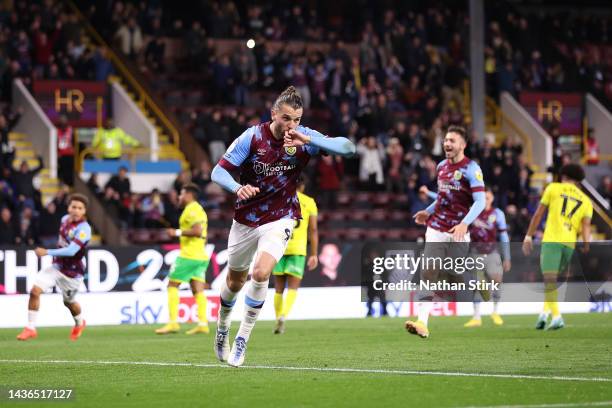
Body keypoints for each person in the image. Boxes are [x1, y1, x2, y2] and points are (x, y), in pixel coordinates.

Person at [210, 86, 355, 367]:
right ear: (273, 113)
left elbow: (348, 148)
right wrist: (237, 188)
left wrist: (310, 140)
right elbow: (218, 171)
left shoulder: (305, 137)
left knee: (261, 272)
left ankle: (242, 339)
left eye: (297, 119)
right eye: (287, 118)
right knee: (234, 282)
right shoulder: (252, 137)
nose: (292, 125)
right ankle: (223, 328)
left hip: (281, 216)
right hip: (246, 219)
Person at [405, 125, 486, 339]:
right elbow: (443, 198)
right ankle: (422, 322)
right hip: (437, 227)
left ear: (463, 145)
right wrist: (427, 211)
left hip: (459, 231)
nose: (447, 144)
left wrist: (465, 224)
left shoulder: (472, 168)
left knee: (454, 274)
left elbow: (480, 202)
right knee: (429, 272)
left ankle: (478, 283)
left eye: (452, 140)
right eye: (446, 140)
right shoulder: (441, 167)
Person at [522, 164, 592, 330]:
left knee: (549, 280)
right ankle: (544, 314)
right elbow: (586, 227)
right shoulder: (586, 200)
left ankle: (557, 316)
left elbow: (539, 213)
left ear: (563, 176)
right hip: (569, 244)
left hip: (552, 241)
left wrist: (528, 235)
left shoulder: (553, 188)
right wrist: (586, 244)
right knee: (551, 281)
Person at [16, 194, 91, 341]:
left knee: (68, 302)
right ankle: (30, 328)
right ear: (69, 207)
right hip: (57, 266)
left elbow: (71, 251)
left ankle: (79, 322)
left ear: (84, 211)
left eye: (79, 208)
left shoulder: (84, 229)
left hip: (73, 273)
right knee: (35, 291)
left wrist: (47, 252)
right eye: (73, 207)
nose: (76, 210)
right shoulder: (64, 219)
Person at [156, 183, 210, 335]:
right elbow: (204, 235)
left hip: (189, 255)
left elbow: (198, 231)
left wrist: (176, 232)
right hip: (200, 256)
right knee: (197, 289)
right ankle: (203, 324)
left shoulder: (192, 209)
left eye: (181, 194)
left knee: (172, 285)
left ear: (188, 195)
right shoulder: (198, 209)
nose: (179, 197)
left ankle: (173, 323)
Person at [272, 177, 318, 334]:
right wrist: (314, 254)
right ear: (303, 186)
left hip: (279, 247)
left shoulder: (281, 198)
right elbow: (313, 230)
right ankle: (283, 315)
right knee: (293, 287)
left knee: (278, 288)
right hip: (298, 249)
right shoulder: (309, 202)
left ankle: (278, 317)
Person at [463, 187, 511, 327]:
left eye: (488, 196)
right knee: (477, 285)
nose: (486, 199)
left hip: (492, 253)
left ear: (492, 198)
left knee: (497, 281)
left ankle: (495, 312)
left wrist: (507, 257)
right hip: (475, 253)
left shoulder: (498, 214)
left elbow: (503, 236)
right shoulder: (472, 212)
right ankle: (476, 317)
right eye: (484, 196)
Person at [56, 115, 75, 186]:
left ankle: (70, 185)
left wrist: (73, 150)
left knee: (70, 170)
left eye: (64, 122)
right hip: (61, 154)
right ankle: (63, 184)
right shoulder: (57, 131)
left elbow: (74, 141)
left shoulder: (70, 130)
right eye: (62, 122)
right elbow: (55, 142)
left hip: (70, 154)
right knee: (62, 170)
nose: (63, 124)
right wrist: (57, 152)